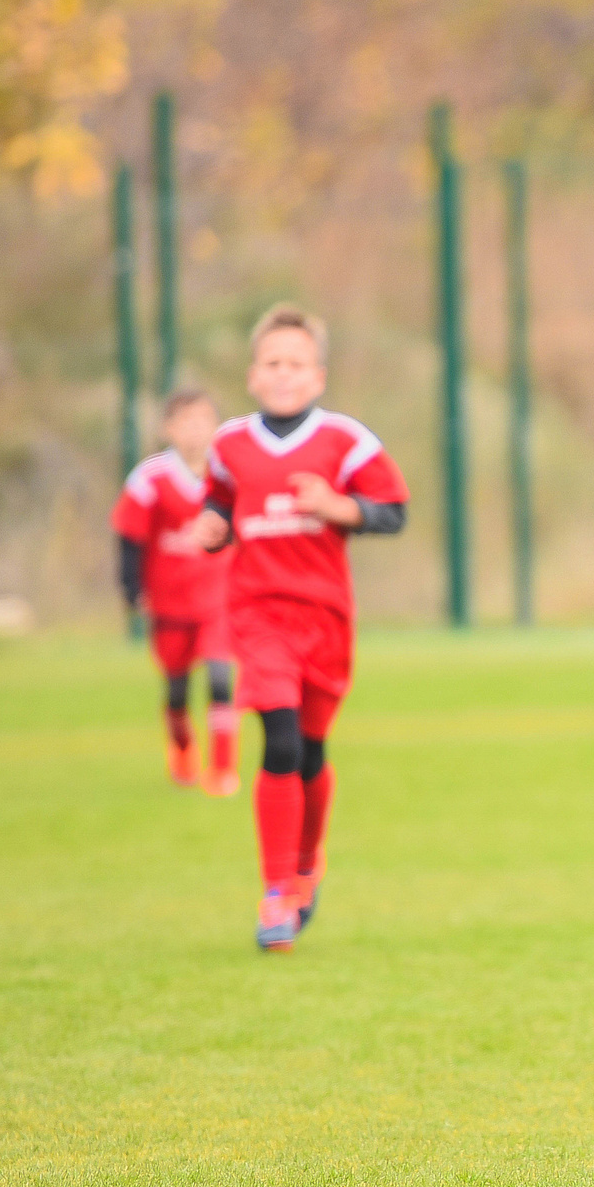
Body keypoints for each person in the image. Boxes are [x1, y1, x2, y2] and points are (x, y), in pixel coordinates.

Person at [192, 305, 408, 951]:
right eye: (272, 362)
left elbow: (393, 512)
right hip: (258, 614)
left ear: (318, 376)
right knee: (279, 740)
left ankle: (308, 865)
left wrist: (336, 506)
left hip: (325, 618)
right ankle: (276, 892)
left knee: (311, 750)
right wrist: (211, 529)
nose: (284, 374)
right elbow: (219, 503)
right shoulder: (228, 444)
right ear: (253, 375)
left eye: (297, 363)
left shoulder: (347, 441)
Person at [114, 386, 239, 795]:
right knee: (178, 687)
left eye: (203, 420)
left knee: (222, 679)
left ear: (216, 426)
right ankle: (183, 746)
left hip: (218, 598)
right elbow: (129, 536)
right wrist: (132, 589)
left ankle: (223, 768)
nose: (195, 430)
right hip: (169, 601)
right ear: (169, 428)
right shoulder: (150, 478)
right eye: (185, 422)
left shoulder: (230, 476)